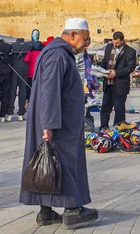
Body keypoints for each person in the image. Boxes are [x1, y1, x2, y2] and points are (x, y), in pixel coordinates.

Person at [20, 18, 98, 229]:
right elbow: (50, 91)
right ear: (72, 35)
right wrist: (49, 124)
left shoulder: (59, 53)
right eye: (85, 38)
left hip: (53, 121)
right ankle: (73, 210)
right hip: (57, 124)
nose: (87, 43)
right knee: (63, 163)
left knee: (49, 165)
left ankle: (46, 212)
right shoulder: (58, 55)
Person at [99, 32, 137, 129]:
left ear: (122, 41)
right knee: (105, 107)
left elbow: (130, 68)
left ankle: (118, 126)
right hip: (108, 83)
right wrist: (102, 71)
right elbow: (104, 62)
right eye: (114, 42)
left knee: (119, 107)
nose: (115, 45)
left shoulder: (130, 52)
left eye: (117, 43)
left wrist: (115, 73)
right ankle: (104, 126)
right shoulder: (108, 48)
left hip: (120, 85)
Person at [10, 38, 31, 122]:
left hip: (14, 69)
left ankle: (9, 113)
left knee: (13, 91)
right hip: (24, 70)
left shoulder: (13, 45)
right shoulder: (28, 45)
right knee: (22, 91)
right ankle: (20, 114)